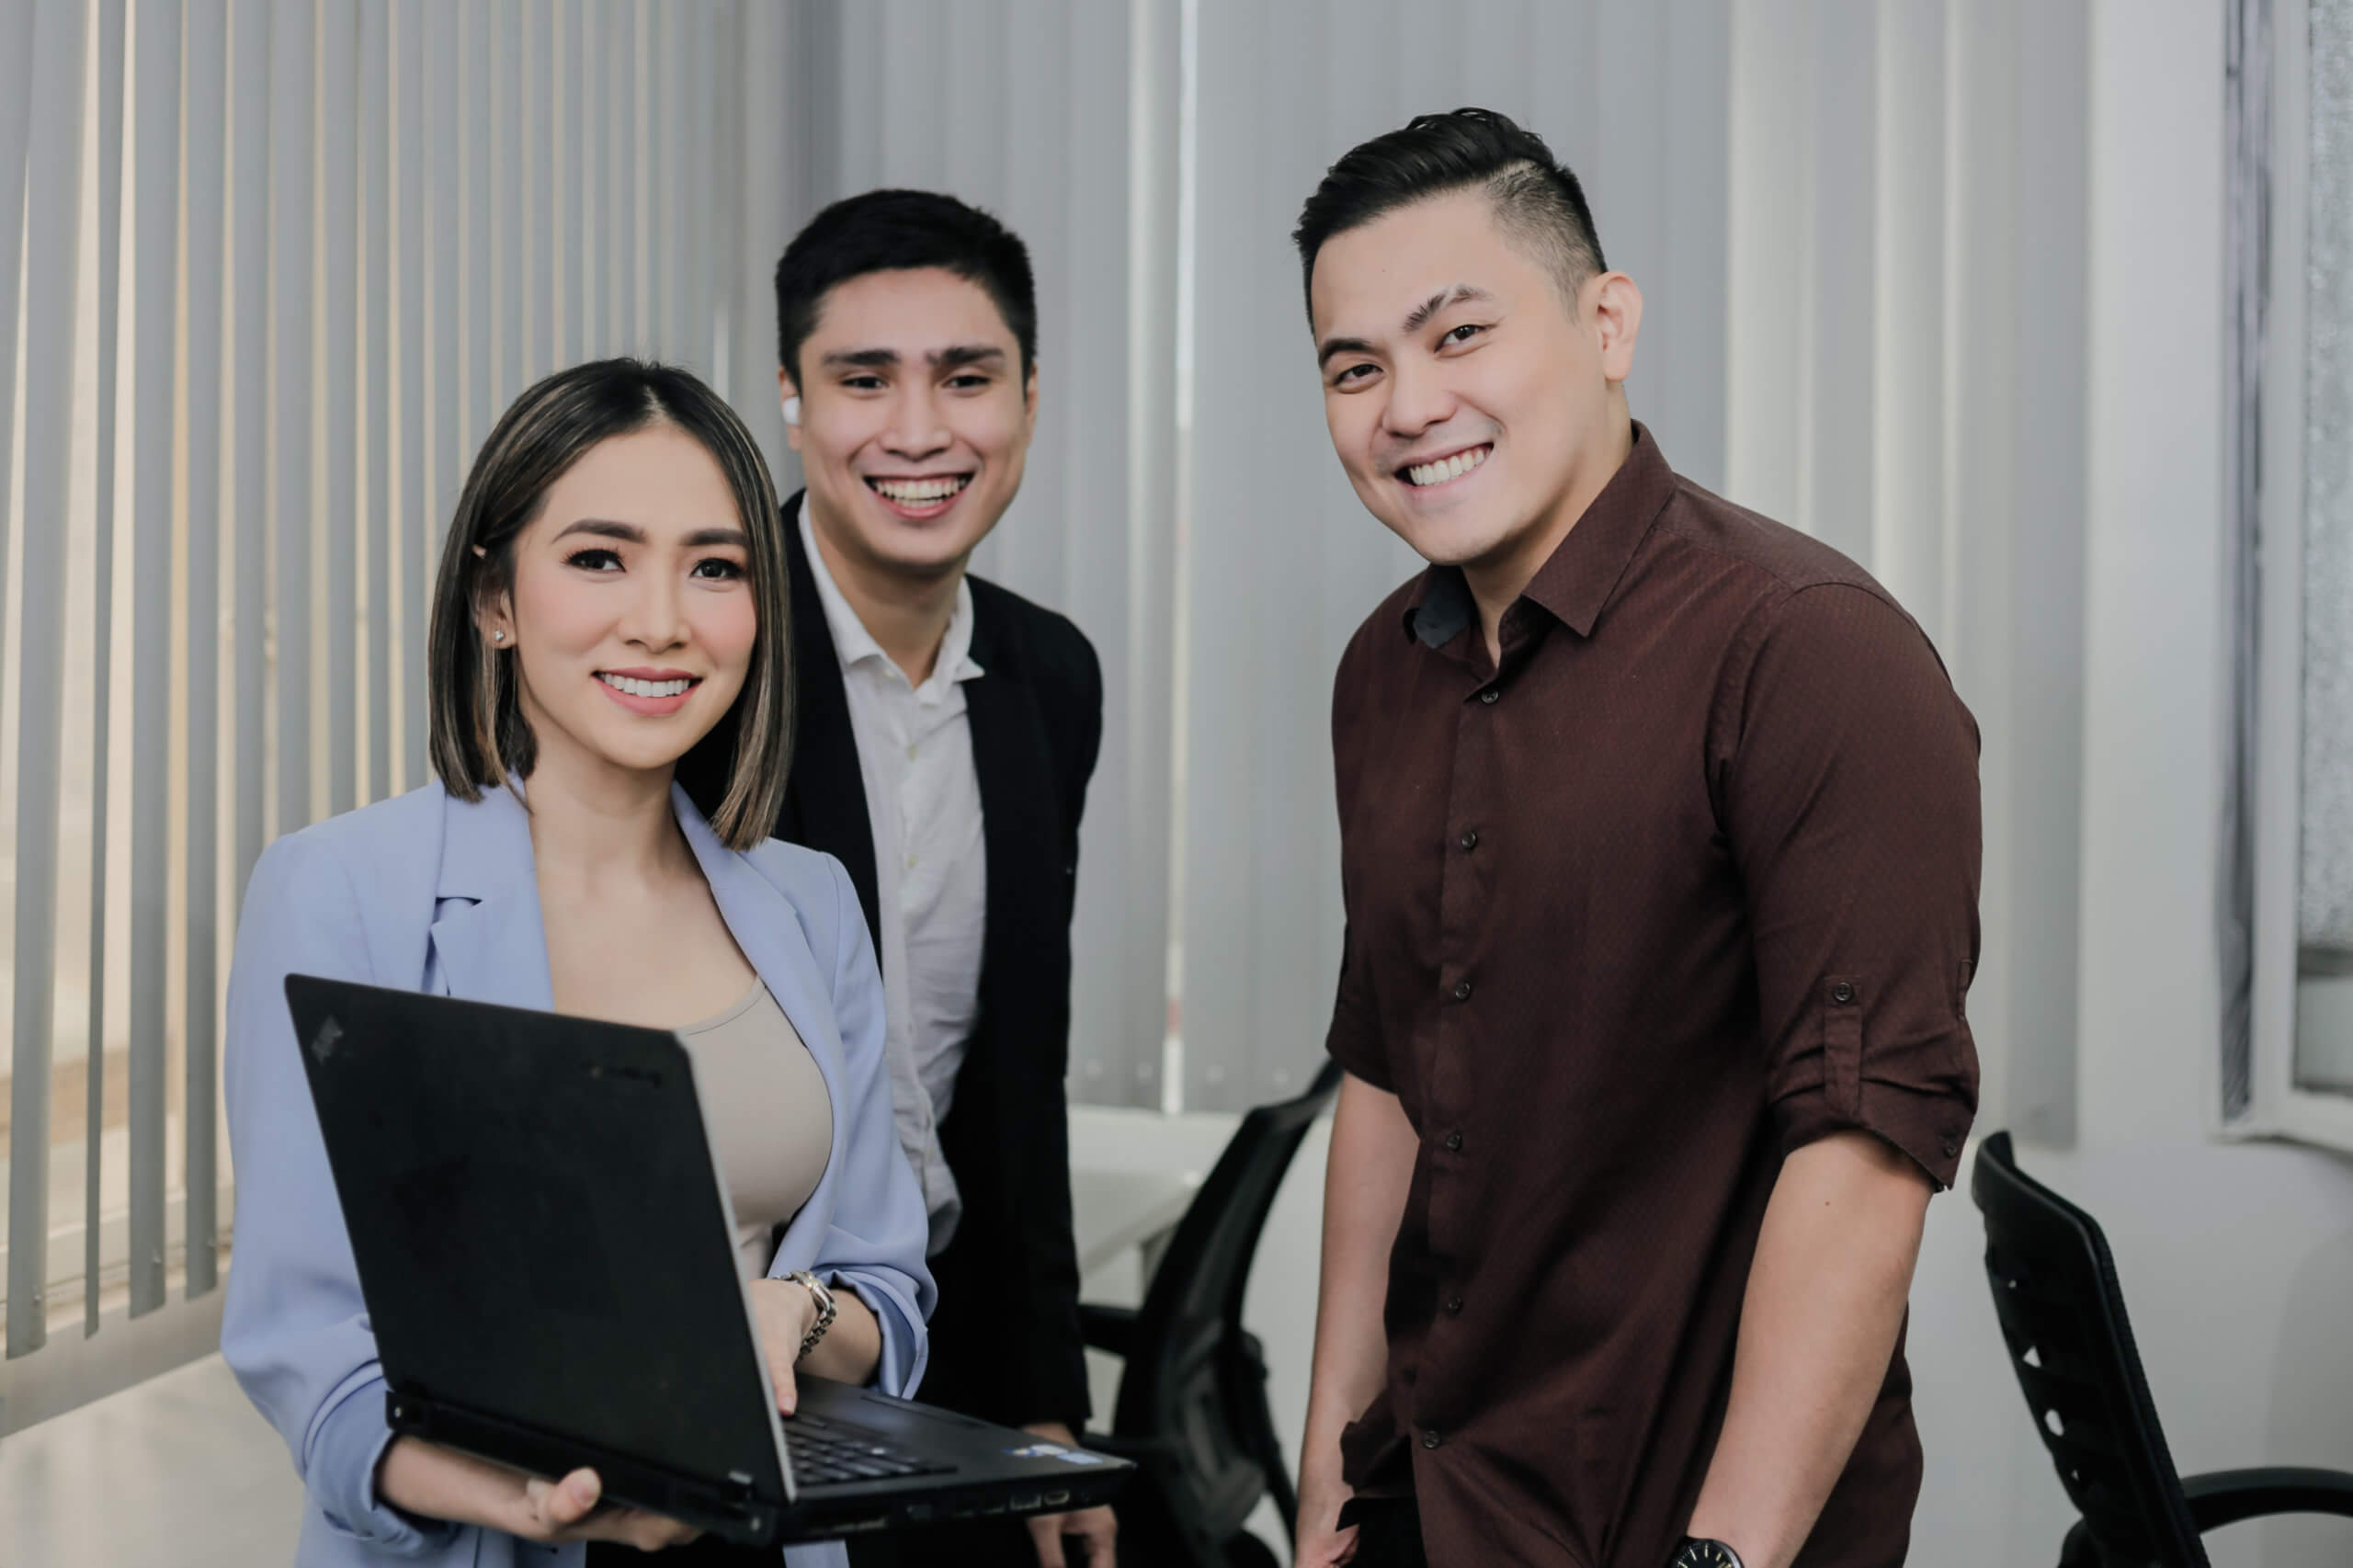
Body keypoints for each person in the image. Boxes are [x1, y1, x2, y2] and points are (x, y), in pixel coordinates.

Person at [1290, 109, 1982, 1568]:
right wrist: (1320, 1505)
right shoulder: (1380, 673)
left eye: (1459, 333)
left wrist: (1722, 1560)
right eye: (1356, 367)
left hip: (1680, 1525)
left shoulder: (1807, 653)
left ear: (1607, 323)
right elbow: (1388, 1086)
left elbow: (1864, 1154)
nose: (1408, 405)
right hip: (1431, 1508)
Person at [220, 359, 934, 1568]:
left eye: (716, 566)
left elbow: (884, 1293)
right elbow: (306, 1340)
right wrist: (531, 1501)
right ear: (496, 599)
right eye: (599, 557)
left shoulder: (809, 904)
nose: (660, 618)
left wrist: (790, 1310)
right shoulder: (339, 891)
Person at [769, 189, 1111, 1568]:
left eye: (966, 378)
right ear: (792, 400)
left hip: (951, 1352)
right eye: (864, 380)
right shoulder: (704, 659)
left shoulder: (1051, 675)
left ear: (1028, 399)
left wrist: (1049, 1411)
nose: (919, 431)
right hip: (737, 1355)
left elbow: (1022, 1084)